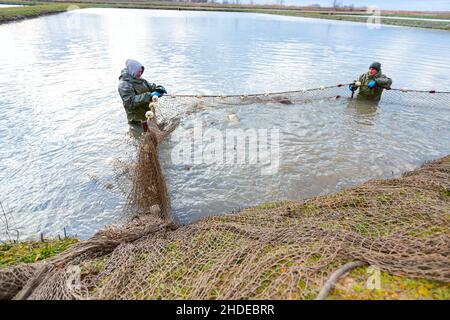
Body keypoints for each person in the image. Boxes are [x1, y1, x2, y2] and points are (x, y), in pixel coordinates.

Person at [118, 59, 167, 126]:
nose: (140, 74)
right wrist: (149, 96)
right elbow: (129, 102)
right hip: (137, 120)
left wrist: (158, 89)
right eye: (138, 72)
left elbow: (151, 87)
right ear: (133, 70)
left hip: (148, 115)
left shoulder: (140, 79)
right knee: (142, 136)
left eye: (141, 72)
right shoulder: (124, 84)